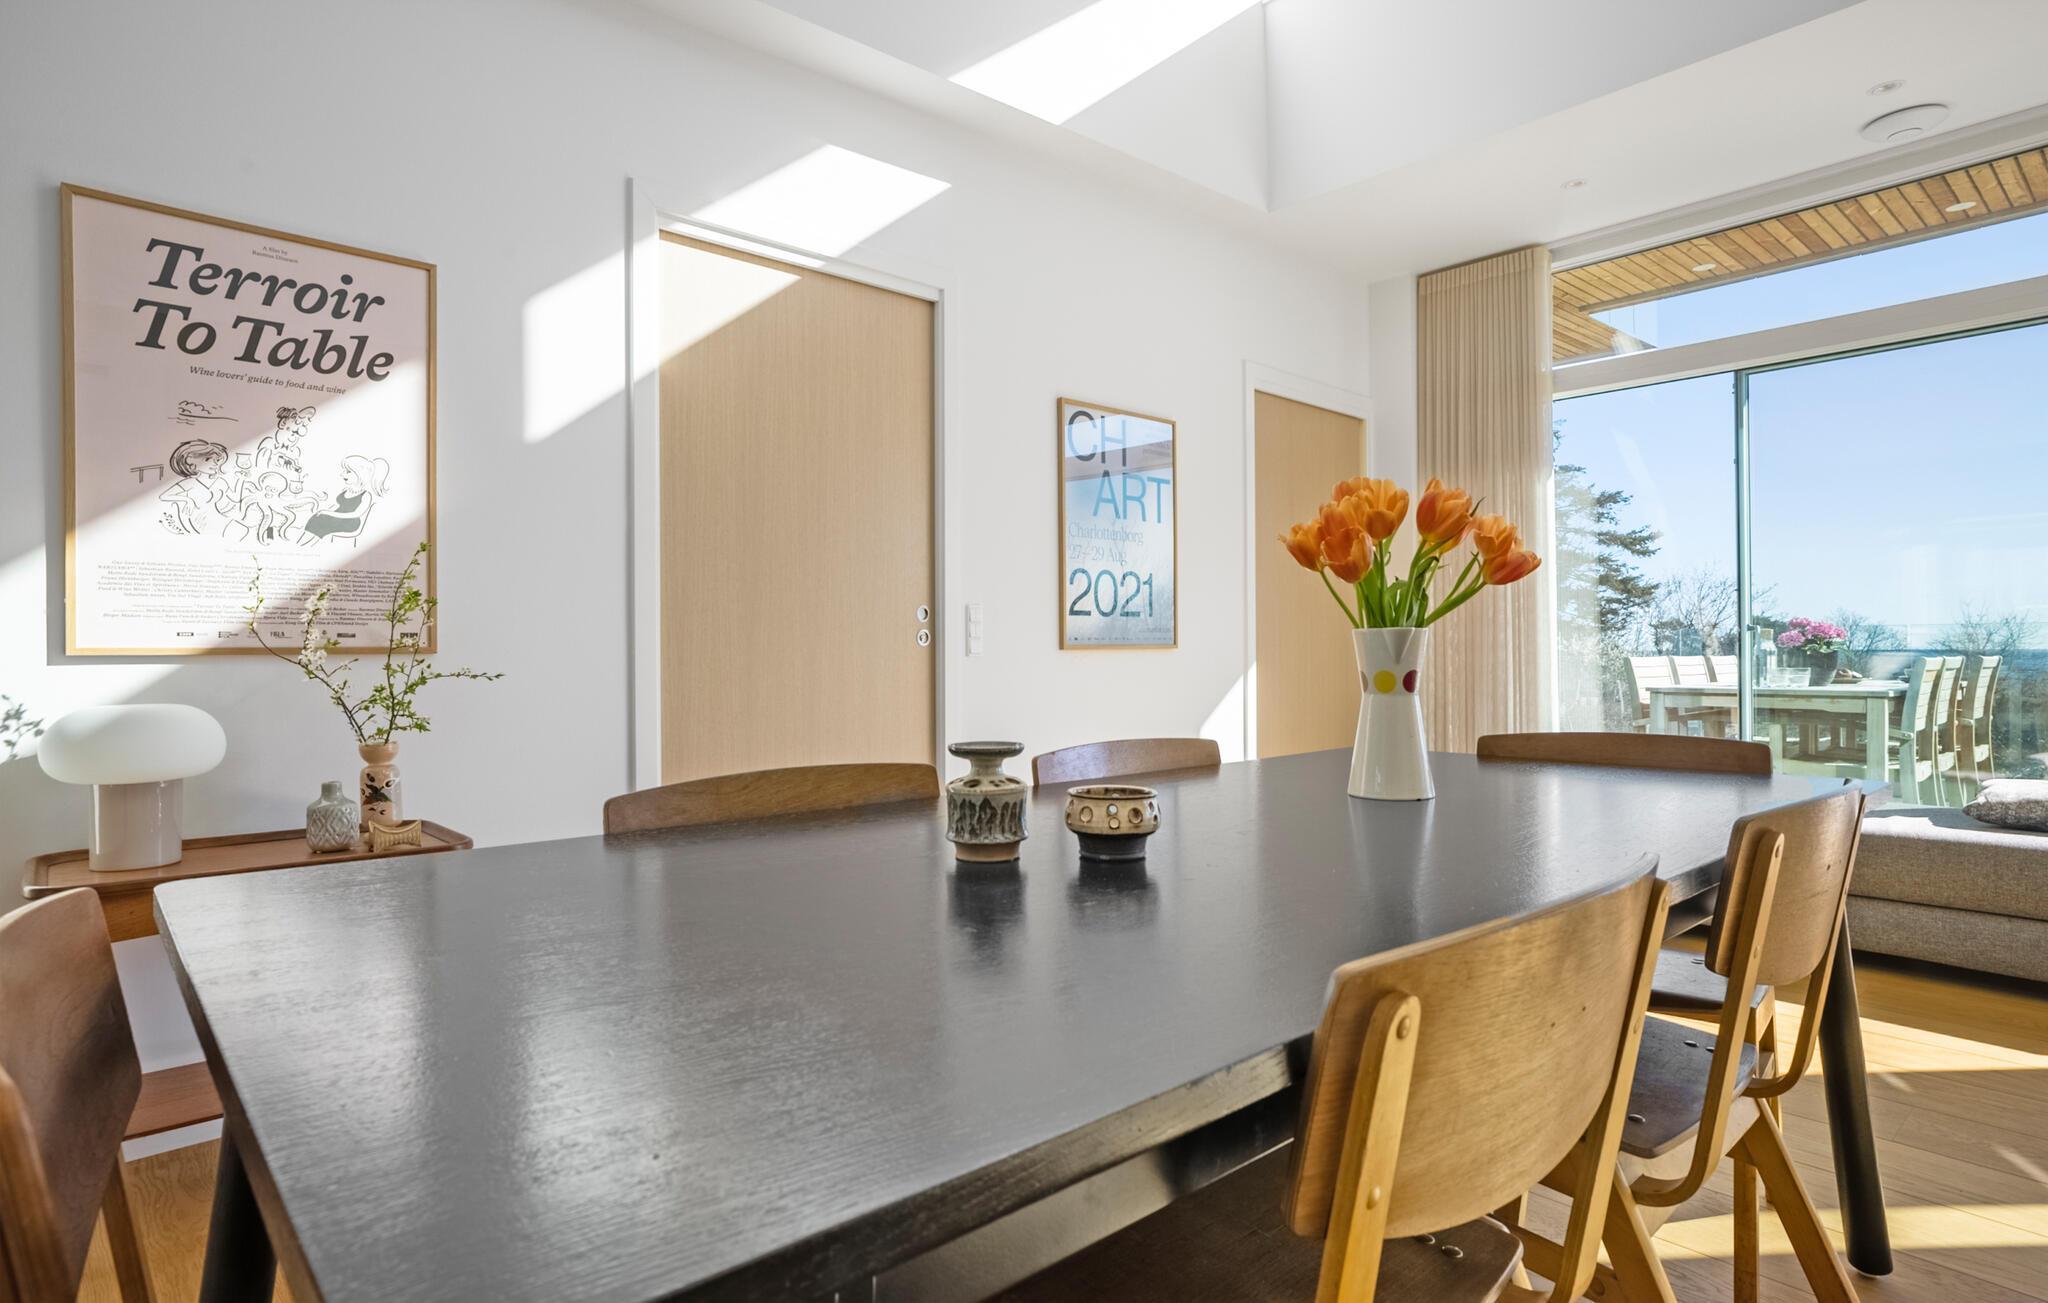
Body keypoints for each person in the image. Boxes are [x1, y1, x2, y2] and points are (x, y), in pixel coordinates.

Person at [301, 455, 390, 544]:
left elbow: (356, 514)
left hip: (349, 522)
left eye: (348, 471)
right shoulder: (346, 490)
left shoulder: (366, 495)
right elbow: (337, 506)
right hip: (335, 518)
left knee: (322, 524)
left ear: (360, 474)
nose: (342, 474)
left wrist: (329, 513)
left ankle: (307, 544)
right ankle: (303, 544)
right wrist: (326, 511)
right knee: (316, 519)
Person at [158, 438, 233, 535]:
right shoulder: (190, 482)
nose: (215, 463)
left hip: (218, 520)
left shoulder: (219, 481)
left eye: (216, 460)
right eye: (207, 459)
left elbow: (231, 501)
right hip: (200, 523)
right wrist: (188, 500)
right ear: (192, 465)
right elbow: (164, 496)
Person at [255, 406, 315, 489]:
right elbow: (259, 469)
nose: (299, 430)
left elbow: (295, 479)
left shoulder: (295, 451)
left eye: (304, 425)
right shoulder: (268, 444)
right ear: (283, 423)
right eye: (297, 423)